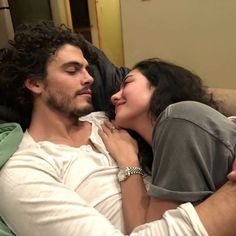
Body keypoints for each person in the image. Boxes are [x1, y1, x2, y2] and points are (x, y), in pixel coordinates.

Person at [0, 21, 236, 236]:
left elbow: (199, 127)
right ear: (35, 83)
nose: (90, 78)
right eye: (72, 70)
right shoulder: (24, 169)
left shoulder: (112, 118)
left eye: (87, 69)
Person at [98, 58, 236, 233]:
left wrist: (129, 163)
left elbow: (150, 231)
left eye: (127, 83)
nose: (114, 96)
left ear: (160, 85)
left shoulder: (178, 118)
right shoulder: (172, 134)